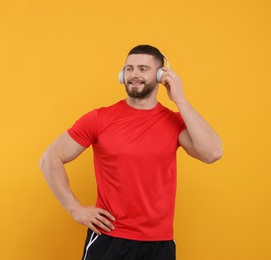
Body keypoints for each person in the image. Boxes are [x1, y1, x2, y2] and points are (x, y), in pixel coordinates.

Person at [38, 44, 222, 260]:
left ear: (162, 75)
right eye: (129, 68)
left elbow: (212, 153)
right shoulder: (99, 118)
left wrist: (180, 99)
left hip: (159, 244)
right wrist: (75, 209)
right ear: (122, 74)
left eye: (143, 69)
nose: (134, 74)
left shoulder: (174, 122)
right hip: (110, 240)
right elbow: (49, 159)